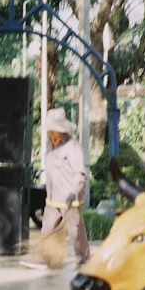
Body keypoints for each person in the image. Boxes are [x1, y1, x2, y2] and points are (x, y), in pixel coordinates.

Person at [29, 107, 90, 267]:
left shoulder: (73, 147)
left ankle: (84, 259)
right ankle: (44, 258)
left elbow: (80, 174)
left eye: (52, 129)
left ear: (61, 130)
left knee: (75, 231)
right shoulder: (50, 145)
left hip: (69, 197)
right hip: (52, 197)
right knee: (47, 229)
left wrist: (73, 192)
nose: (50, 132)